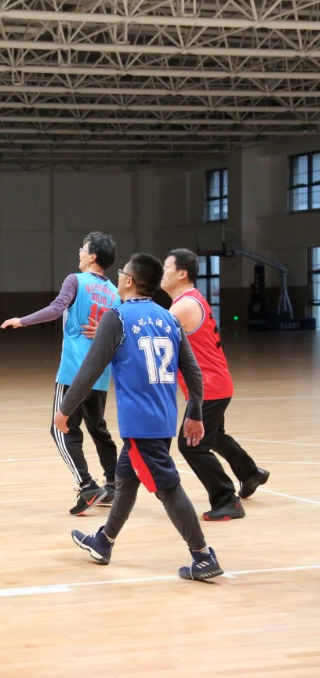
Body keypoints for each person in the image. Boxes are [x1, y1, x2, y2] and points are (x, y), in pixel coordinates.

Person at [57, 253, 224, 581]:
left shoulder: (116, 317)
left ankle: (203, 556)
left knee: (168, 488)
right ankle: (104, 541)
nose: (119, 276)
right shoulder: (169, 318)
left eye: (122, 273)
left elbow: (90, 370)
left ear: (129, 281)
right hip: (163, 418)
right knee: (126, 479)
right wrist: (194, 412)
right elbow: (192, 370)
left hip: (140, 423)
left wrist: (65, 409)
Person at [1, 232, 120, 515]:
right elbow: (119, 328)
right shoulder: (115, 292)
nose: (79, 252)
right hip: (100, 372)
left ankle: (87, 486)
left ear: (92, 256)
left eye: (83, 249)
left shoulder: (75, 280)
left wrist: (22, 320)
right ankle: (114, 485)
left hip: (74, 372)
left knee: (61, 428)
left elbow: (56, 310)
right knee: (98, 428)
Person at [162, 248, 269, 520]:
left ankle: (227, 499)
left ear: (182, 273)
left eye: (166, 267)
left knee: (192, 445)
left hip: (208, 387)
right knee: (213, 436)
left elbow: (153, 337)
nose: (162, 273)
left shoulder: (183, 307)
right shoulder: (192, 300)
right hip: (216, 384)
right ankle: (250, 473)